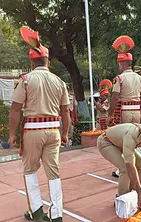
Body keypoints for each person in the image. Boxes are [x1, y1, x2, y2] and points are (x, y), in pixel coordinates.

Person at [8, 26, 69, 222]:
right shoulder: (59, 82)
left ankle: (37, 212)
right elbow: (65, 111)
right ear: (47, 61)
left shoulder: (25, 80)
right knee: (54, 172)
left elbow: (16, 109)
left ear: (31, 61)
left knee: (30, 170)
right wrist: (66, 133)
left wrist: (12, 134)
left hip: (32, 131)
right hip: (53, 131)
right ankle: (57, 214)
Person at [107, 35, 141, 178]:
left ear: (121, 64)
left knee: (124, 140)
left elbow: (115, 97)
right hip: (136, 111)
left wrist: (110, 113)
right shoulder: (139, 78)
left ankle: (124, 167)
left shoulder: (120, 78)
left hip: (125, 111)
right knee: (137, 139)